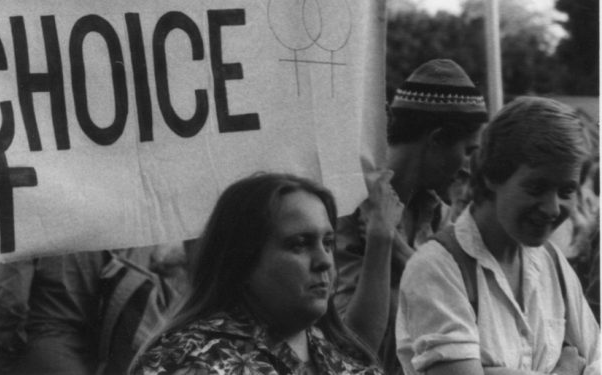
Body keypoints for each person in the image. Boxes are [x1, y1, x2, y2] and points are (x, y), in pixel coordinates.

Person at [396, 96, 600, 375]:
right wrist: (564, 370)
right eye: (536, 187)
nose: (553, 208)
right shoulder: (437, 267)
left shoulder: (552, 263)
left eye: (566, 192)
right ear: (492, 175)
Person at [132, 172, 382, 375]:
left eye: (327, 243)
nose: (324, 261)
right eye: (299, 244)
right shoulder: (188, 360)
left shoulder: (347, 359)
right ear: (244, 258)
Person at [335, 59, 488, 373]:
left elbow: (469, 313)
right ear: (436, 139)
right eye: (468, 150)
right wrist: (381, 241)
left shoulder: (436, 215)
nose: (467, 168)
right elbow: (352, 349)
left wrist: (395, 246)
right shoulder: (347, 208)